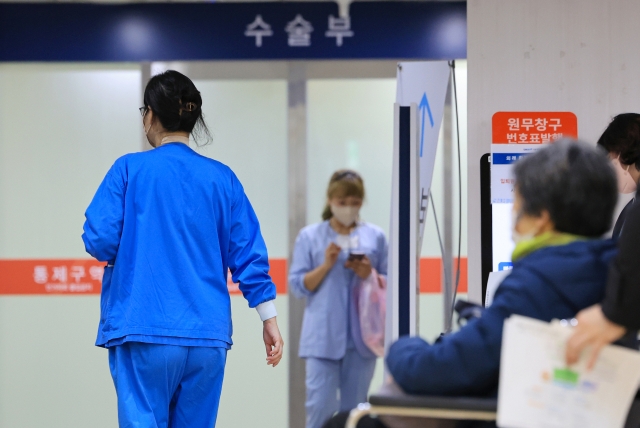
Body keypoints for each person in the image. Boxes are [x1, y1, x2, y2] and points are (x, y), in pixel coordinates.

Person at [82, 70, 283, 428]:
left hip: (143, 328)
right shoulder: (223, 179)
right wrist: (268, 317)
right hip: (207, 337)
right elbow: (248, 252)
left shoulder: (129, 169)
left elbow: (99, 239)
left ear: (151, 115)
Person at [386, 140, 617, 399]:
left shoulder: (536, 284)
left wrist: (403, 346)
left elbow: (437, 370)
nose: (513, 216)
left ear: (541, 216)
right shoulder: (619, 276)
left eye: (517, 205)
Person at [289, 170, 388, 428]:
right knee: (319, 410)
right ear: (330, 201)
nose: (348, 209)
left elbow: (391, 283)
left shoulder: (375, 237)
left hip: (362, 339)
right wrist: (326, 265)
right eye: (342, 203)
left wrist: (370, 274)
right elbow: (298, 285)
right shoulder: (310, 237)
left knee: (355, 414)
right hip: (322, 340)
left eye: (354, 203)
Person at [567, 113, 640, 368]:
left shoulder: (636, 209)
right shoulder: (633, 206)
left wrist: (612, 313)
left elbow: (629, 268)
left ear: (621, 152)